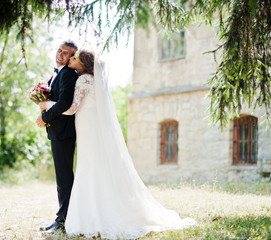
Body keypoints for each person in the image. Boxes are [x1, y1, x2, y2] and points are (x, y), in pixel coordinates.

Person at [39, 50, 197, 239]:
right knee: (94, 165)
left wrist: (47, 105)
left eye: (75, 58)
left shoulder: (83, 80)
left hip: (86, 127)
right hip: (91, 126)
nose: (71, 59)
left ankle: (90, 214)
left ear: (82, 64)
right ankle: (96, 209)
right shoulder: (94, 80)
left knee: (88, 166)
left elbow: (72, 109)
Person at [36, 41, 78, 234]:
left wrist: (44, 118)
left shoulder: (68, 74)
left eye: (66, 53)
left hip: (64, 133)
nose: (61, 54)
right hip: (58, 132)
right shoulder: (58, 73)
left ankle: (63, 222)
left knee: (64, 179)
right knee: (62, 179)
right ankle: (60, 219)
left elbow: (64, 103)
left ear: (71, 57)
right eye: (60, 50)